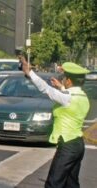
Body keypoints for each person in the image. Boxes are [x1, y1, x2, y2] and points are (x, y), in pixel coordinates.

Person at [20, 56, 90, 188]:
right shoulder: (83, 96)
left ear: (69, 81)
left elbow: (46, 89)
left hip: (67, 145)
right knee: (71, 183)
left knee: (54, 183)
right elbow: (69, 96)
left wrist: (30, 73)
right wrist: (62, 87)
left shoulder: (67, 98)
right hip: (78, 144)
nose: (63, 80)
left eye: (64, 78)